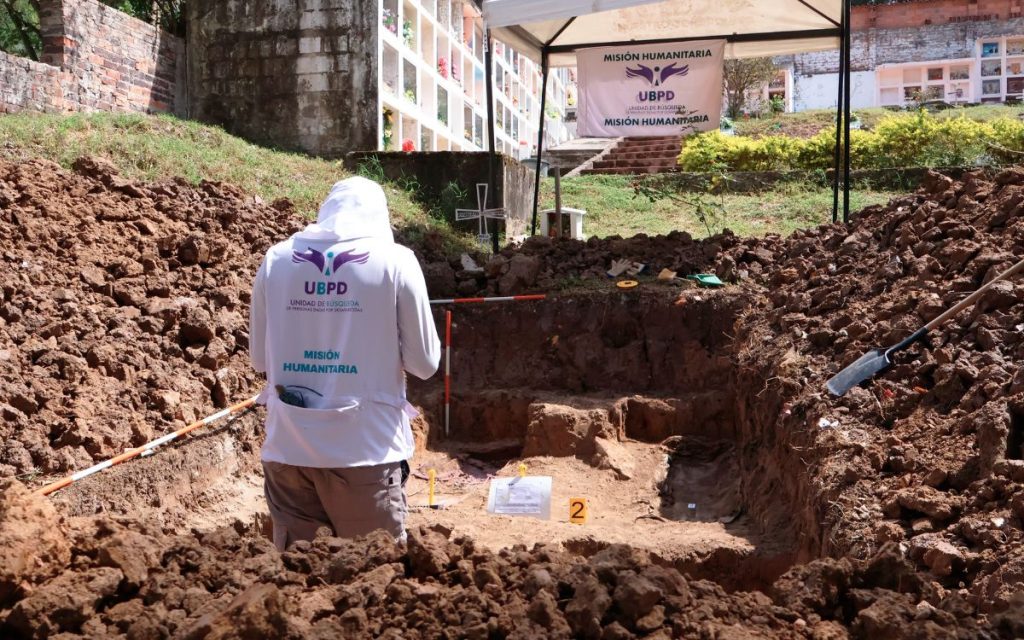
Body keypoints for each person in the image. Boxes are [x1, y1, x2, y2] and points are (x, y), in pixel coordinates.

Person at [249, 176, 440, 550]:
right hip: (365, 453)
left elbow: (260, 360)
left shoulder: (276, 260)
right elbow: (425, 363)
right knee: (372, 580)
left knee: (297, 582)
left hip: (289, 451)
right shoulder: (396, 261)